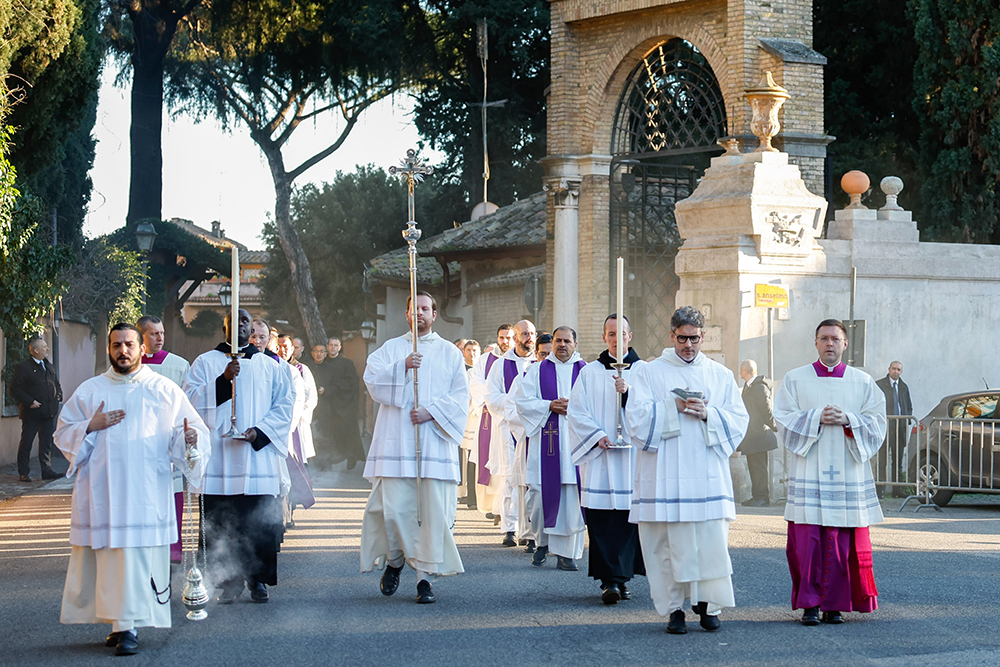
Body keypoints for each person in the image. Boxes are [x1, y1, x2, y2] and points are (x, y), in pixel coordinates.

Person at [54, 323, 209, 656]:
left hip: (145, 491)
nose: (122, 351)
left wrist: (190, 440)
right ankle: (118, 623)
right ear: (108, 349)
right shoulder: (91, 390)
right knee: (109, 559)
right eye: (115, 345)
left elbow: (189, 429)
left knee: (135, 559)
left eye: (128, 345)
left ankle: (129, 627)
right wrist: (89, 426)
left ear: (142, 349)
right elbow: (63, 432)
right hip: (102, 491)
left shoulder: (163, 389)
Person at [625, 306, 749, 634]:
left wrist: (709, 414)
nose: (689, 346)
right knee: (665, 546)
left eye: (694, 339)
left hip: (706, 477)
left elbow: (739, 421)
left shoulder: (720, 375)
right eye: (682, 338)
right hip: (664, 476)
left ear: (703, 336)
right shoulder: (649, 373)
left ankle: (708, 606)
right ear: (671, 335)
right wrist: (673, 407)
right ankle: (674, 610)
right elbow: (635, 421)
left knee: (710, 544)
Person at [774, 319, 886, 626]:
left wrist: (849, 419)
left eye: (835, 339)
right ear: (816, 343)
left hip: (847, 472)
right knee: (808, 539)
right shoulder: (795, 379)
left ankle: (834, 605)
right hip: (810, 469)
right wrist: (816, 418)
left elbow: (878, 423)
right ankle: (810, 604)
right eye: (824, 338)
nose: (829, 344)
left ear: (845, 344)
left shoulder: (862, 382)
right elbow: (781, 419)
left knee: (839, 539)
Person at [361, 291, 469, 604]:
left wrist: (431, 411)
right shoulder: (391, 349)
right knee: (394, 512)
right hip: (396, 442)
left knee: (431, 515)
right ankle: (395, 562)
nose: (419, 313)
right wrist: (403, 366)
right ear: (407, 314)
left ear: (434, 314)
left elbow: (462, 397)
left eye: (425, 308)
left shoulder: (450, 353)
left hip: (433, 444)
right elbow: (372, 381)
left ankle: (425, 579)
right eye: (414, 309)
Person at [185, 308, 294, 604]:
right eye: (235, 321)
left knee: (259, 521)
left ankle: (258, 579)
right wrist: (222, 381)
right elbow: (190, 403)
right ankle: (226, 580)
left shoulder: (271, 366)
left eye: (246, 321)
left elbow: (285, 405)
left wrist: (260, 432)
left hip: (257, 456)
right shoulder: (205, 363)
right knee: (222, 520)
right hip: (220, 458)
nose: (241, 326)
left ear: (253, 328)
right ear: (225, 327)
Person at [568, 314, 645, 603]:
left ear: (630, 335)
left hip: (631, 459)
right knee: (601, 520)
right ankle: (608, 581)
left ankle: (622, 578)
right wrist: (597, 435)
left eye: (621, 333)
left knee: (628, 519)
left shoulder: (643, 371)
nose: (616, 338)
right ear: (604, 337)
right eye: (610, 333)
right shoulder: (589, 372)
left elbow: (651, 408)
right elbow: (577, 411)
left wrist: (629, 394)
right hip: (600, 455)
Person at [515, 326, 587, 570]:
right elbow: (523, 403)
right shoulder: (537, 371)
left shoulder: (585, 371)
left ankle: (566, 555)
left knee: (571, 501)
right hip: (546, 446)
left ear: (575, 344)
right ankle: (542, 541)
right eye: (558, 340)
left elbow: (597, 404)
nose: (562, 345)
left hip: (575, 447)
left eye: (567, 340)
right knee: (537, 498)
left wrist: (573, 407)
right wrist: (549, 406)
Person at [137, 314, 193, 563]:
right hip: (137, 445)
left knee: (171, 497)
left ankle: (173, 550)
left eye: (162, 333)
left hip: (168, 444)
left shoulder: (179, 365)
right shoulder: (127, 365)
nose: (160, 338)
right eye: (153, 334)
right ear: (141, 337)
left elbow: (188, 409)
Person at [485, 319, 537, 547]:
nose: (529, 338)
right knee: (509, 479)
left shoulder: (541, 363)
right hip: (509, 428)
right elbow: (491, 396)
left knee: (532, 479)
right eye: (524, 333)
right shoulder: (501, 364)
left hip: (535, 428)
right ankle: (509, 528)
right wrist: (515, 403)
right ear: (515, 338)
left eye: (532, 333)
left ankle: (531, 528)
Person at [462, 324, 514, 520]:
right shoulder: (485, 360)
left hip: (510, 418)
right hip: (489, 416)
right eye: (501, 337)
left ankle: (507, 510)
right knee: (492, 464)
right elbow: (475, 383)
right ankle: (495, 507)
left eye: (508, 337)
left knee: (508, 463)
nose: (505, 341)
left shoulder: (518, 360)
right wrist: (495, 396)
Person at [277, 335, 316, 525]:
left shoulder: (301, 370)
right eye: (280, 346)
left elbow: (310, 397)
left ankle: (291, 511)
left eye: (287, 347)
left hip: (296, 426)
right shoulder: (272, 366)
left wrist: (299, 416)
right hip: (279, 424)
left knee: (295, 470)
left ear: (293, 350)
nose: (283, 350)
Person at [11, 338, 63, 482]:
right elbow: (14, 388)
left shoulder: (49, 366)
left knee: (46, 443)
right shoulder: (24, 368)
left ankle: (47, 471)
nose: (47, 349)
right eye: (44, 347)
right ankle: (24, 472)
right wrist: (29, 402)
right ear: (35, 350)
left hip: (48, 412)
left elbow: (56, 384)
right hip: (32, 413)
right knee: (27, 442)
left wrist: (58, 396)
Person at [738, 359, 778, 507]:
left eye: (741, 370)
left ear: (746, 371)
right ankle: (757, 496)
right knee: (754, 467)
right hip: (752, 435)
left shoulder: (759, 387)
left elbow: (766, 410)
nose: (740, 373)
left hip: (759, 435)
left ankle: (762, 497)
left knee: (759, 468)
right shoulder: (750, 386)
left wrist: (773, 426)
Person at [327, 336, 366, 469]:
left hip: (344, 403)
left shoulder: (346, 363)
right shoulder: (324, 361)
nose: (333, 347)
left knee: (348, 432)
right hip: (329, 403)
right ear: (327, 347)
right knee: (331, 432)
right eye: (331, 345)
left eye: (335, 345)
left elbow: (351, 383)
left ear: (340, 347)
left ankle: (351, 455)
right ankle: (328, 458)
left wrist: (336, 387)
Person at [875, 361, 912, 498]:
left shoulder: (903, 387)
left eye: (899, 370)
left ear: (901, 372)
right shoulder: (880, 385)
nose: (896, 371)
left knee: (898, 460)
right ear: (889, 369)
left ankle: (898, 489)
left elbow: (908, 405)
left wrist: (906, 421)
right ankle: (880, 489)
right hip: (885, 428)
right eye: (894, 369)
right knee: (882, 460)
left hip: (899, 428)